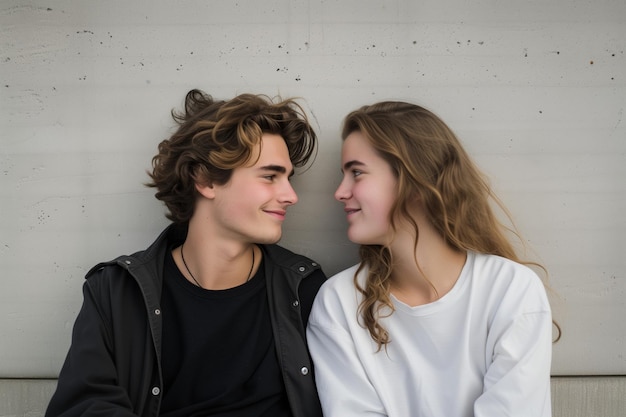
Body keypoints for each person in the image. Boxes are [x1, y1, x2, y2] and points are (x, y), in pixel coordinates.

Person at [46, 89, 326, 417]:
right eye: (270, 176)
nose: (290, 195)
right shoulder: (116, 293)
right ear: (206, 179)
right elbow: (82, 407)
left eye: (288, 178)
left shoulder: (304, 289)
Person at [306, 101, 558, 417]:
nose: (340, 192)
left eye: (357, 173)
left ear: (415, 182)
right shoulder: (339, 301)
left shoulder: (510, 289)